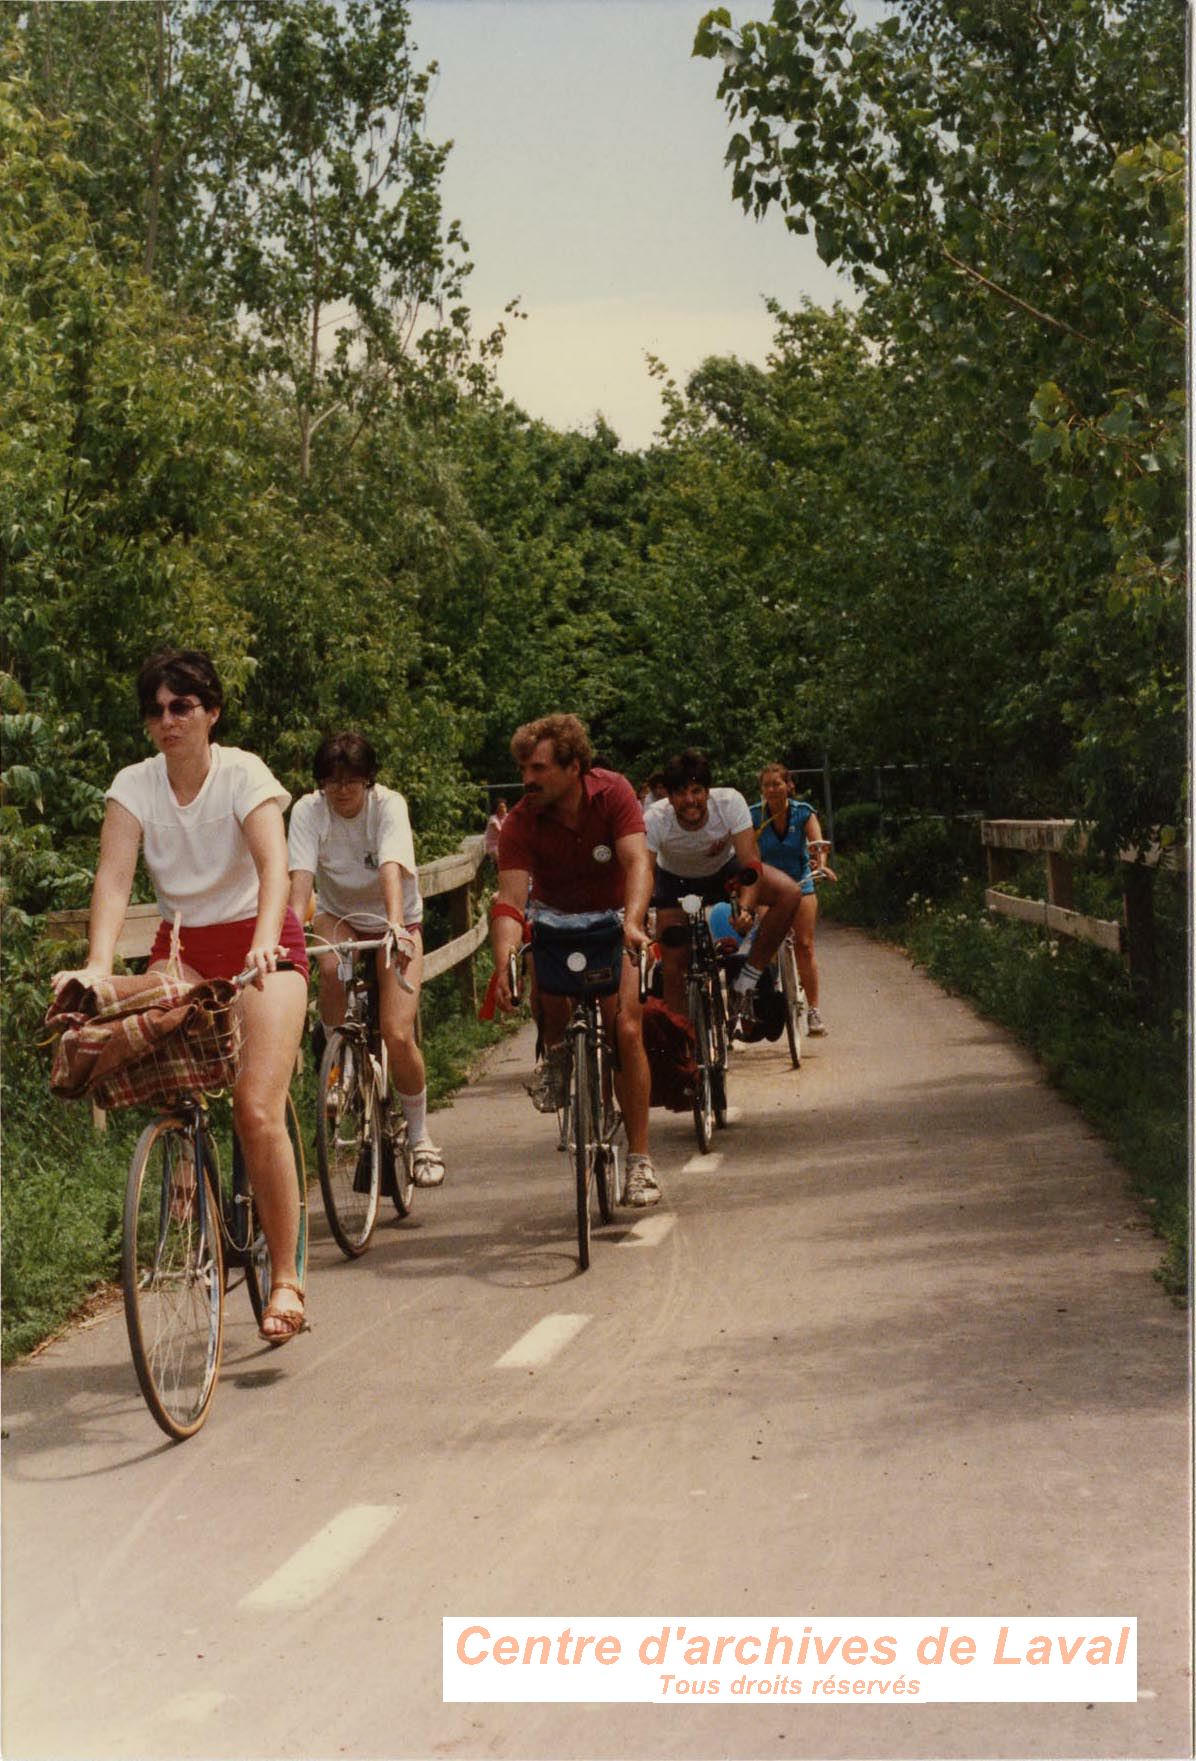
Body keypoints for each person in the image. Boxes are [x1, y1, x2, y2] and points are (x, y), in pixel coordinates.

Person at [51, 648, 310, 1342]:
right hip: (183, 948)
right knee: (149, 1040)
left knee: (257, 1108)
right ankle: (184, 1169)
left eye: (182, 706)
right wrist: (100, 964)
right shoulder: (134, 785)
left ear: (211, 712)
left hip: (263, 941)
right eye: (156, 710)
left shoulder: (242, 773)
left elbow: (273, 865)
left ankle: (285, 1277)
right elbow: (113, 877)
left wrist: (263, 942)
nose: (168, 721)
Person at [488, 713, 661, 1207]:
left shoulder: (614, 793)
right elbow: (510, 901)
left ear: (574, 767)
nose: (528, 780)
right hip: (556, 920)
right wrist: (504, 961)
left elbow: (637, 863)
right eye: (524, 768)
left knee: (626, 1027)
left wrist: (633, 921)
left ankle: (640, 1162)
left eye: (539, 768)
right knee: (548, 996)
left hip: (612, 918)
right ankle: (560, 1058)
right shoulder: (522, 819)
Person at [287, 733, 446, 1187]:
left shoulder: (388, 806)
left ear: (368, 780)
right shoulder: (307, 810)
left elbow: (390, 868)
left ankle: (420, 1138)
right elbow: (301, 878)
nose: (340, 790)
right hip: (341, 915)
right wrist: (292, 936)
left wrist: (396, 927)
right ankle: (340, 1058)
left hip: (395, 920)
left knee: (397, 1033)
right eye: (330, 781)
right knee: (332, 966)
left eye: (351, 781)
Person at [644, 748, 803, 1023]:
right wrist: (641, 916)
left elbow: (751, 863)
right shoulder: (655, 818)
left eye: (696, 791)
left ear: (708, 791)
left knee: (790, 893)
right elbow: (644, 871)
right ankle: (684, 1043)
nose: (690, 800)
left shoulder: (729, 802)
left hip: (725, 873)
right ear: (668, 798)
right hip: (674, 881)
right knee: (672, 966)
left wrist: (746, 908)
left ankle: (747, 981)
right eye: (681, 793)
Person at [750, 764, 837, 1034]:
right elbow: (748, 852)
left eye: (777, 783)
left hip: (800, 881)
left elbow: (817, 844)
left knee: (805, 945)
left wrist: (820, 864)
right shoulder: (753, 816)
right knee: (765, 939)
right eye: (766, 785)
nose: (772, 789)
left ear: (789, 785)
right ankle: (769, 992)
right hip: (769, 887)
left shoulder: (803, 812)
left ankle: (813, 1010)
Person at [483, 797, 508, 867]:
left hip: (504, 844)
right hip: (493, 845)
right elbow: (500, 832)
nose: (504, 809)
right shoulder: (493, 819)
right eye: (501, 807)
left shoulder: (507, 817)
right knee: (501, 859)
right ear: (497, 809)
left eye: (504, 806)